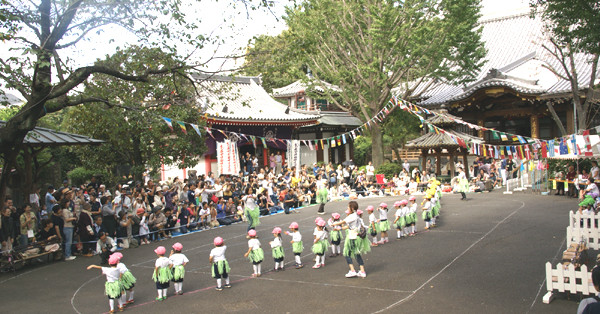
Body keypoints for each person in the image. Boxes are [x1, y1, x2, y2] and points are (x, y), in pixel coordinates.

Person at [332, 201, 370, 278]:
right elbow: (349, 226)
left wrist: (334, 224)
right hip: (356, 236)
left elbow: (343, 222)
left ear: (352, 208)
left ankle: (352, 271)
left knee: (347, 254)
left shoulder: (352, 216)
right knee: (357, 253)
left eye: (348, 207)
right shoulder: (356, 215)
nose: (347, 208)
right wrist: (340, 228)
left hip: (352, 237)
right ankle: (362, 271)